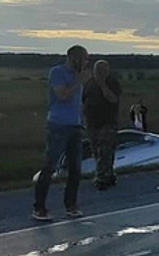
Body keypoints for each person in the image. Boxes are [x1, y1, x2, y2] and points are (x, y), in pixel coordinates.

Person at [33, 45, 89, 221]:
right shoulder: (57, 72)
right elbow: (63, 95)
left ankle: (71, 204)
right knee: (50, 165)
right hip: (58, 125)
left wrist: (82, 120)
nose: (85, 63)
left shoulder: (77, 78)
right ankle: (39, 207)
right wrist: (79, 80)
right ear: (73, 58)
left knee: (75, 168)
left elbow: (77, 102)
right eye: (83, 59)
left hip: (74, 126)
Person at [83, 60, 122, 191]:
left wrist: (103, 85)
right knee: (96, 151)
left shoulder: (112, 83)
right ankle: (109, 175)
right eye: (97, 70)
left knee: (105, 150)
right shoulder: (89, 84)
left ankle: (100, 177)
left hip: (107, 122)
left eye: (102, 70)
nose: (100, 73)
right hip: (92, 123)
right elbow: (83, 101)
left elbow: (113, 99)